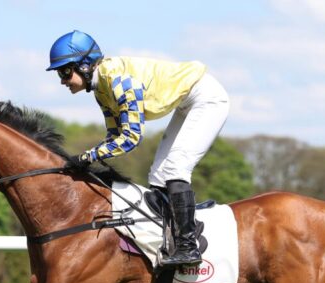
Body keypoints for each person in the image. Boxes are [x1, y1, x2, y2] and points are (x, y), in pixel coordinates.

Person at [46, 30, 229, 267]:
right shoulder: (101, 89)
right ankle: (171, 236)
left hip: (206, 98)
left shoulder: (118, 80)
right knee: (158, 174)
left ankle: (188, 247)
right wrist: (85, 157)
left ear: (84, 65)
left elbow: (132, 137)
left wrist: (88, 156)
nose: (62, 80)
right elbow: (114, 136)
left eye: (64, 71)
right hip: (187, 102)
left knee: (174, 169)